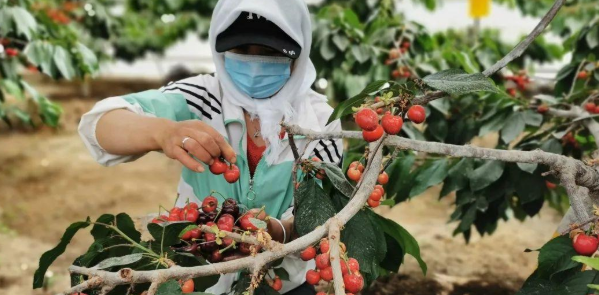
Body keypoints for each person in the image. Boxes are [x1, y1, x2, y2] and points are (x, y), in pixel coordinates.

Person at [77, 0, 343, 294]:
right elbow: (98, 124)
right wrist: (162, 132)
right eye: (241, 51)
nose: (254, 65)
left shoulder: (320, 123)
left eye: (269, 53)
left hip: (283, 282)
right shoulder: (202, 97)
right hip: (194, 273)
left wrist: (278, 230)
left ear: (298, 54)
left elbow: (320, 216)